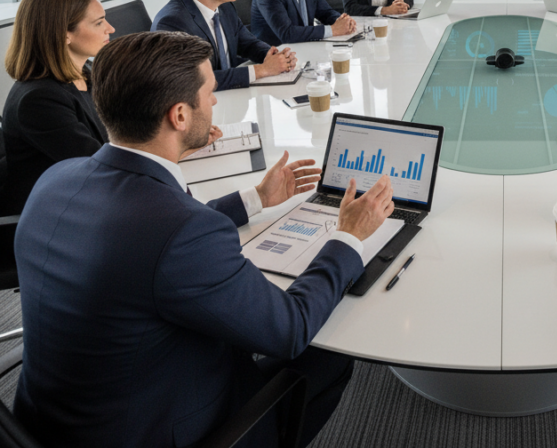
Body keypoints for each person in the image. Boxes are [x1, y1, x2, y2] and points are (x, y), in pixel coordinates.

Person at [14, 31, 395, 448]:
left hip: (51, 421)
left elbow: (147, 240)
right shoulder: (180, 231)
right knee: (329, 353)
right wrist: (348, 237)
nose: (214, 102)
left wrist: (256, 199)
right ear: (179, 115)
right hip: (151, 431)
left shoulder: (56, 179)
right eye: (210, 92)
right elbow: (289, 328)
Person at [1, 0, 112, 215]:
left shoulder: (86, 72)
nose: (110, 28)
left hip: (90, 196)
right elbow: (100, 168)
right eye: (99, 22)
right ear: (64, 34)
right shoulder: (39, 100)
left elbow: (123, 123)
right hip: (58, 215)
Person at [151, 0, 297, 90]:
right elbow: (192, 80)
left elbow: (246, 42)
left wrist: (274, 56)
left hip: (232, 95)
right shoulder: (172, 23)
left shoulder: (224, 6)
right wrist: (262, 70)